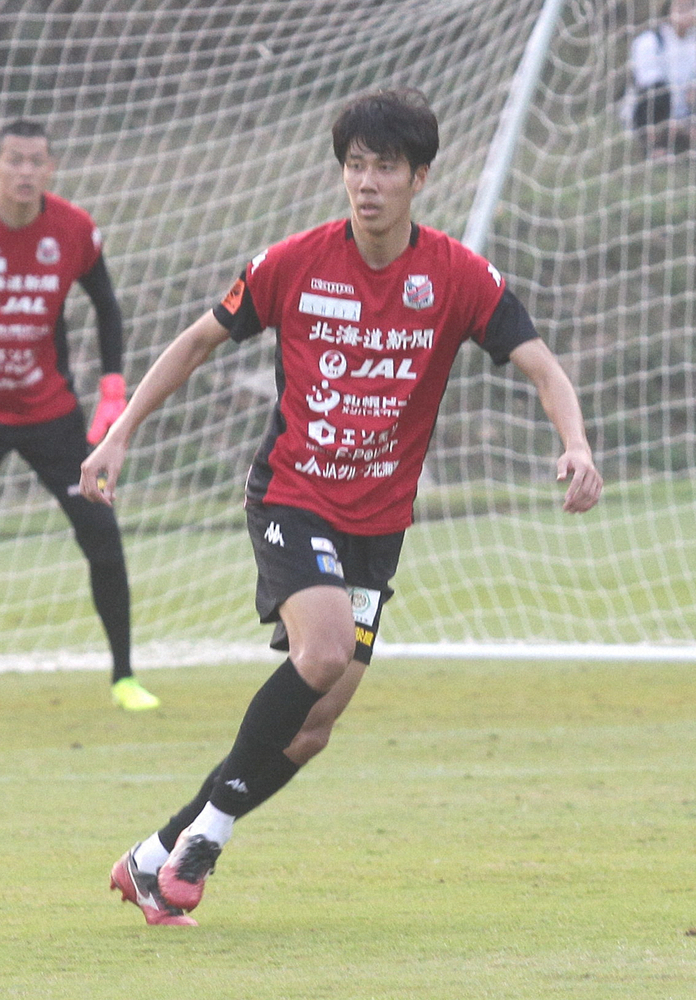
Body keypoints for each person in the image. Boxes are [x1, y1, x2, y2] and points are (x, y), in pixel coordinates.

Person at [80, 88, 603, 926]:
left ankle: (151, 858)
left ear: (420, 178)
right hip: (292, 495)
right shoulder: (294, 262)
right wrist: (118, 434)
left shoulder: (459, 278)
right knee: (321, 652)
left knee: (315, 724)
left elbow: (542, 366)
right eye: (354, 166)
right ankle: (204, 845)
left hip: (378, 527)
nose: (366, 183)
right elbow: (197, 341)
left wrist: (575, 443)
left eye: (385, 167)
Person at [0, 119, 159, 711]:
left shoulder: (72, 229)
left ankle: (124, 676)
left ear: (50, 168)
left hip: (51, 412)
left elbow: (107, 307)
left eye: (34, 161)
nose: (23, 171)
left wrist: (113, 387)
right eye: (12, 159)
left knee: (100, 532)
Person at [629, 0, 696, 156]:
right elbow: (648, 85)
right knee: (657, 92)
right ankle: (654, 144)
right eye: (681, 6)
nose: (686, 12)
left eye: (691, 7)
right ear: (668, 9)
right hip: (654, 114)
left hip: (685, 114)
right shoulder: (650, 41)